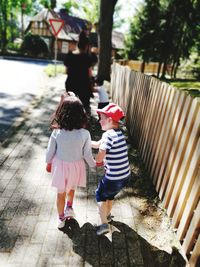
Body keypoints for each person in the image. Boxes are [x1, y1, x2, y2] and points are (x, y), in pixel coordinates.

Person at [46, 95, 96, 229]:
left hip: (60, 166)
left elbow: (50, 151)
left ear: (61, 113)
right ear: (81, 114)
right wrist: (94, 164)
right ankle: (69, 207)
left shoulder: (56, 132)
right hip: (76, 166)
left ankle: (61, 217)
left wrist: (48, 162)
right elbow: (87, 154)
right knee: (72, 188)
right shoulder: (85, 134)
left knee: (60, 193)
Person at [91, 103, 130, 235]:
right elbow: (97, 144)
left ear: (109, 120)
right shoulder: (117, 133)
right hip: (124, 176)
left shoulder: (108, 136)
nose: (98, 120)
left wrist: (96, 160)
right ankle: (107, 216)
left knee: (100, 195)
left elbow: (100, 156)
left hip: (114, 177)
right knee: (110, 195)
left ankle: (104, 225)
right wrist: (85, 142)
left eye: (101, 118)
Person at [64, 31, 94, 113]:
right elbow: (90, 74)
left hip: (71, 84)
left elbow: (66, 71)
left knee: (69, 108)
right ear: (86, 46)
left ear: (77, 44)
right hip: (84, 87)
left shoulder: (69, 55)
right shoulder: (87, 58)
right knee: (84, 108)